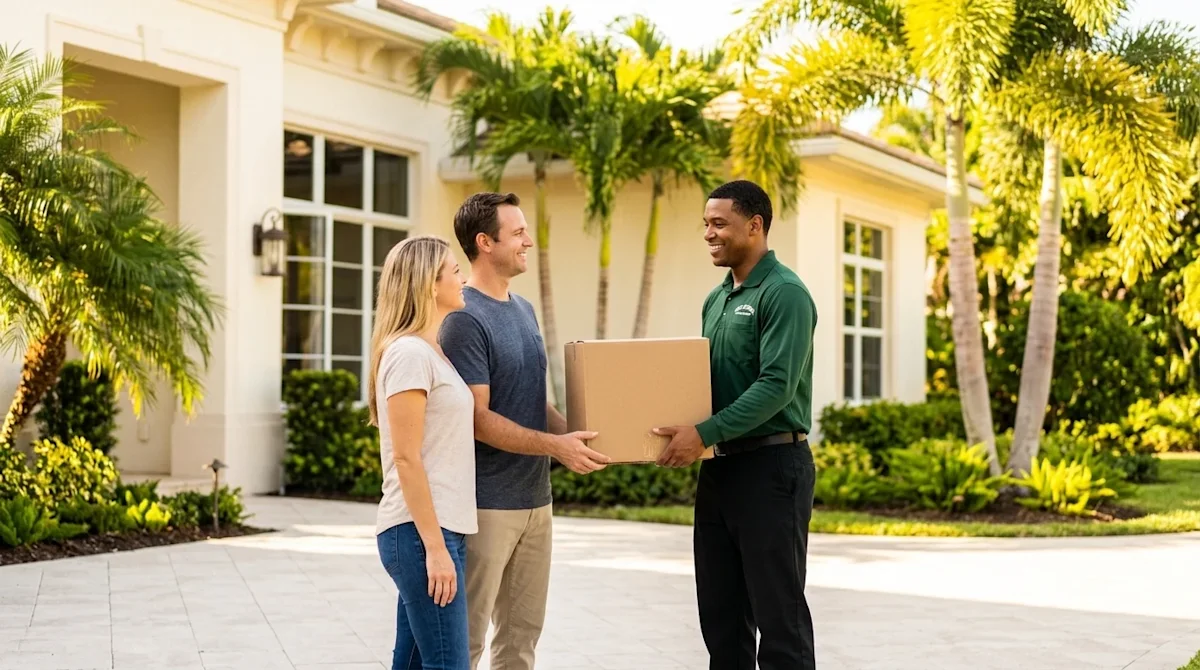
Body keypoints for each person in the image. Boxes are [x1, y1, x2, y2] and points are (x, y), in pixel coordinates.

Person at [438, 191, 611, 670]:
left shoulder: (524, 309)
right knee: (466, 642)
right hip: (487, 505)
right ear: (484, 242)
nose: (528, 242)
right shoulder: (463, 318)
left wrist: (581, 439)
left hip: (537, 502)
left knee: (521, 642)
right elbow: (477, 418)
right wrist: (556, 446)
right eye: (517, 233)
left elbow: (535, 401)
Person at [655, 179, 819, 670]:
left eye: (719, 223)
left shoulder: (785, 293)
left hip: (772, 469)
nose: (709, 233)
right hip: (720, 469)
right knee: (721, 616)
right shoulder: (717, 299)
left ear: (755, 225)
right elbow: (707, 384)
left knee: (779, 617)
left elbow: (776, 387)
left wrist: (703, 433)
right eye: (705, 223)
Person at [368, 235, 476, 670]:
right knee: (449, 664)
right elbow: (406, 457)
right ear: (430, 284)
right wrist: (434, 547)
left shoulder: (430, 351)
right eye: (455, 271)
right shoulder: (410, 354)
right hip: (420, 532)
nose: (463, 279)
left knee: (413, 663)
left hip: (435, 530)